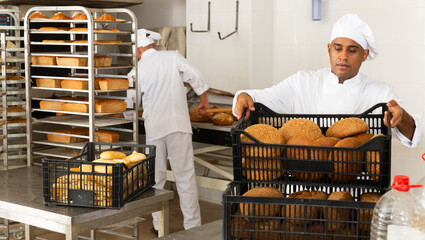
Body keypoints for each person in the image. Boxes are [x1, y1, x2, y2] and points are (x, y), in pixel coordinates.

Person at [233, 14, 422, 148]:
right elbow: (263, 97)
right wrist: (245, 95)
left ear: (364, 55)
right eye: (337, 48)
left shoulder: (381, 93)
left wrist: (403, 117)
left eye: (352, 50)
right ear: (329, 49)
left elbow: (413, 135)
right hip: (302, 181)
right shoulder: (302, 82)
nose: (343, 56)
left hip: (356, 186)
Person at [128, 29, 209, 231]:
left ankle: (158, 227)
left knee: (156, 181)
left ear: (138, 50)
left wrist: (128, 116)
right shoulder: (172, 57)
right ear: (154, 45)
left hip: (155, 129)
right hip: (179, 126)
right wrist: (204, 100)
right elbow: (195, 75)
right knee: (185, 178)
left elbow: (130, 106)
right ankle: (193, 228)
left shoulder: (136, 71)